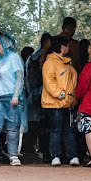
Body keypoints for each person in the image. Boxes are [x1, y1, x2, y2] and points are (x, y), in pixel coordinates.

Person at [0, 34, 26, 166]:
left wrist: (15, 95)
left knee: (13, 127)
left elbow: (19, 77)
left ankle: (13, 155)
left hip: (10, 97)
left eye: (0, 43)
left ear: (7, 44)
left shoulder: (14, 57)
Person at [42, 35, 79, 166]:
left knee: (69, 130)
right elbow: (49, 82)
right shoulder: (50, 62)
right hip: (54, 104)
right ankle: (55, 155)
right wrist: (61, 94)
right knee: (56, 130)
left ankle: (72, 155)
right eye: (68, 45)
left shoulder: (67, 62)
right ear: (63, 47)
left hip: (67, 102)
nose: (70, 48)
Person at [25, 32, 52, 160]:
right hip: (42, 92)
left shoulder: (32, 56)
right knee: (43, 124)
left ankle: (28, 148)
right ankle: (44, 150)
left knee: (33, 123)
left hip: (32, 92)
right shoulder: (44, 54)